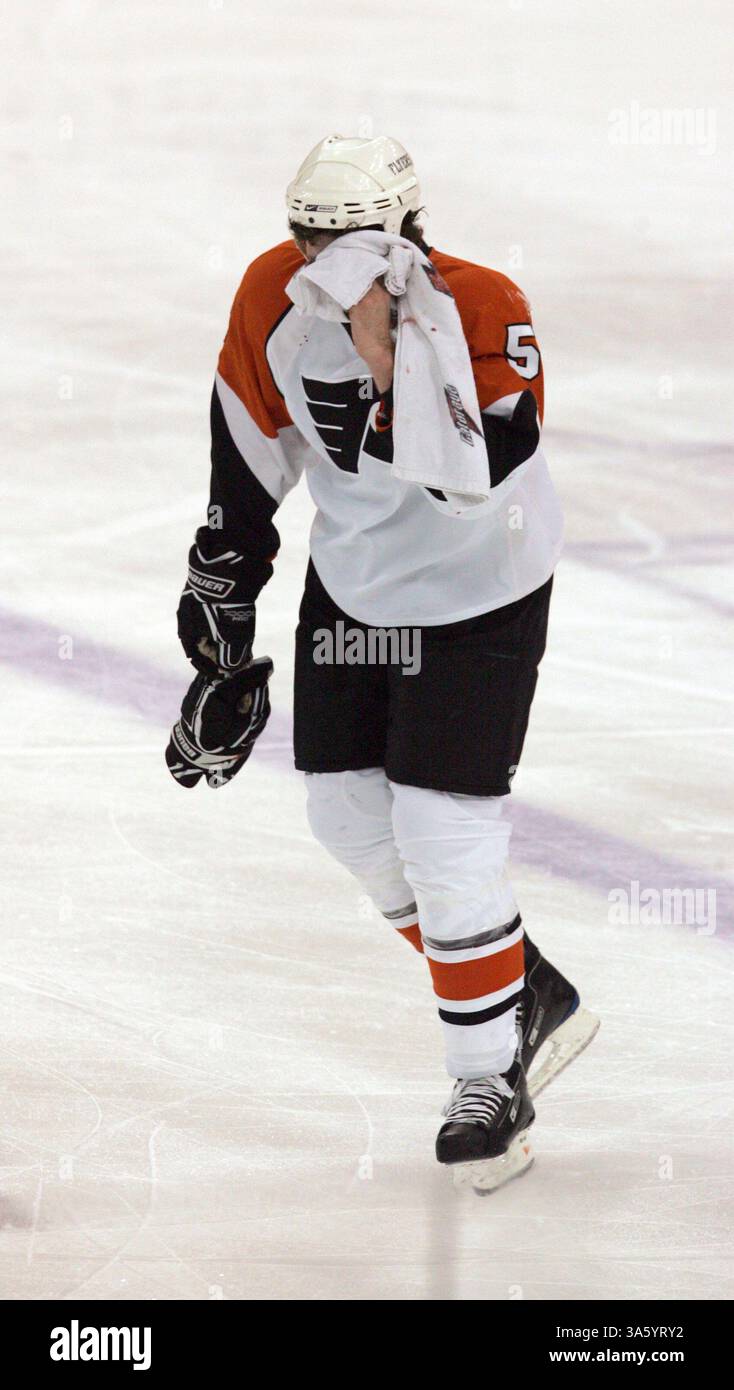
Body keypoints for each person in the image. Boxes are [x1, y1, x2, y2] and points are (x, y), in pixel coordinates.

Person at [167, 134, 598, 1193]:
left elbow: (475, 478)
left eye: (347, 238)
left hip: (479, 593)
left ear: (402, 229)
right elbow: (246, 455)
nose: (321, 256)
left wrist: (385, 351)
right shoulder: (270, 296)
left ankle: (484, 1076)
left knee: (443, 834)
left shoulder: (485, 305)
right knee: (347, 816)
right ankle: (516, 986)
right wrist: (220, 630)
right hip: (356, 587)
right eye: (308, 235)